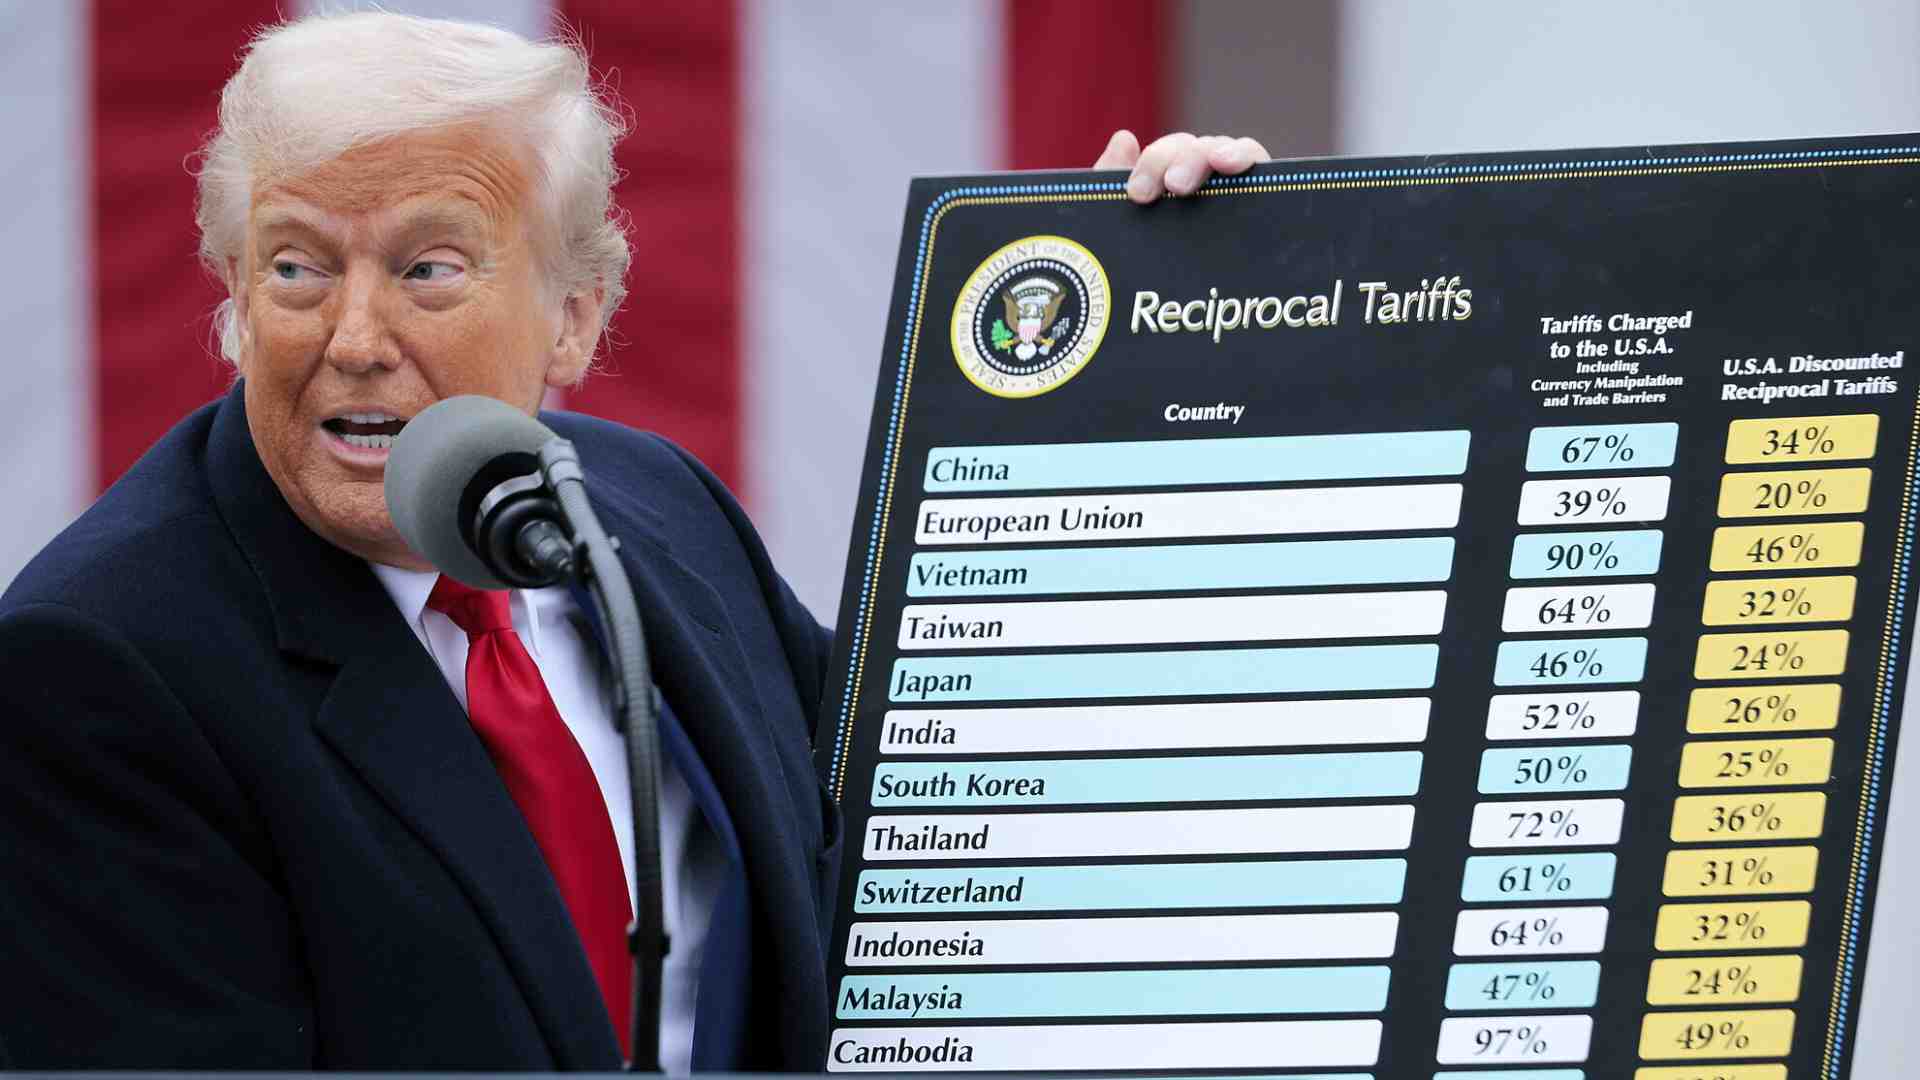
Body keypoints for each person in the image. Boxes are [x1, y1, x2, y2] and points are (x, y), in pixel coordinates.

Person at [0, 10, 1269, 1072]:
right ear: (234, 299)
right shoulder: (97, 667)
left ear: (574, 316)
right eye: (296, 270)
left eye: (428, 268)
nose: (356, 337)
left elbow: (943, 816)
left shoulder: (652, 507)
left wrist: (1145, 348)